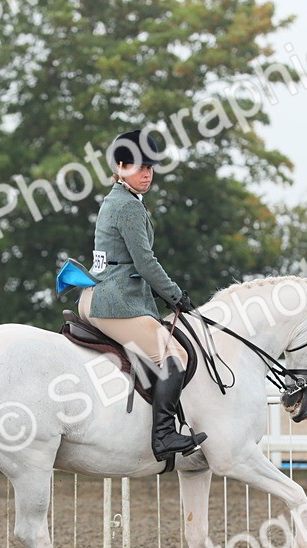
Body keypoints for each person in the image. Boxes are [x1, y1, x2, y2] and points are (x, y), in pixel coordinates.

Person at [77, 128, 208, 461]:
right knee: (173, 357)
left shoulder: (119, 200)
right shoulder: (128, 207)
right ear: (121, 167)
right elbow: (145, 263)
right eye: (139, 167)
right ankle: (163, 436)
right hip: (114, 301)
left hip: (103, 294)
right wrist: (175, 295)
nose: (147, 173)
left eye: (150, 167)